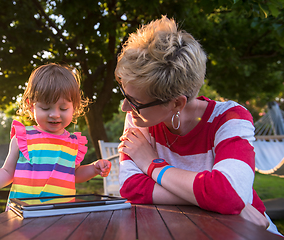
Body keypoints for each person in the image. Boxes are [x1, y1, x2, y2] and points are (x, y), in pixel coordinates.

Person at [116, 16, 282, 236]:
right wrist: (216, 201)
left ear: (176, 103)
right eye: (125, 95)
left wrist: (152, 164)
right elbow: (131, 188)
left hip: (250, 232)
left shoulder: (230, 119)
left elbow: (227, 193)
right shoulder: (140, 118)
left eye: (136, 102)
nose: (125, 107)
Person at [0, 63, 111, 204]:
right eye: (45, 108)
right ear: (31, 106)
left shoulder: (73, 143)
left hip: (61, 216)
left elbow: (73, 174)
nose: (55, 114)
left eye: (63, 108)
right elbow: (7, 172)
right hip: (24, 214)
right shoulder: (23, 138)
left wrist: (93, 169)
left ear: (74, 107)